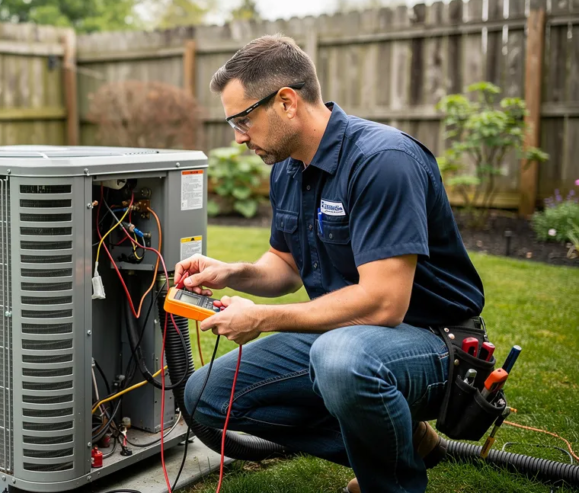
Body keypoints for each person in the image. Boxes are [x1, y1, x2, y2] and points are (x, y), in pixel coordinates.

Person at [175, 35, 485, 493]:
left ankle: (391, 482)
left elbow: (383, 305)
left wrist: (263, 317)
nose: (238, 137)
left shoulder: (383, 161)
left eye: (243, 119)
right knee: (204, 396)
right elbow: (285, 265)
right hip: (343, 339)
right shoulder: (287, 166)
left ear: (286, 102)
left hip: (435, 343)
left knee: (339, 359)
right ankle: (402, 439)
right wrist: (232, 271)